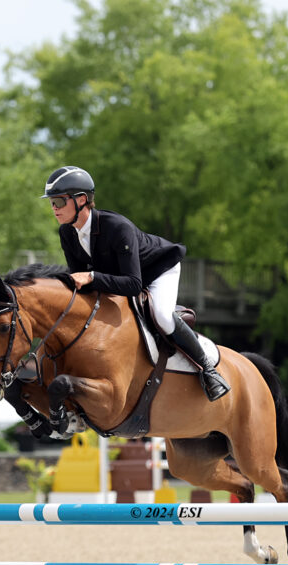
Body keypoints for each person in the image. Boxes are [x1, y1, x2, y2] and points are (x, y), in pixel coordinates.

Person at [40, 165, 229, 402]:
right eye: (52, 203)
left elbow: (132, 284)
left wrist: (92, 277)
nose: (54, 208)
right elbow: (81, 281)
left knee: (161, 315)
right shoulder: (67, 233)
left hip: (158, 270)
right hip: (122, 275)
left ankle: (208, 370)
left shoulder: (117, 227)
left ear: (81, 200)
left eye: (58, 202)